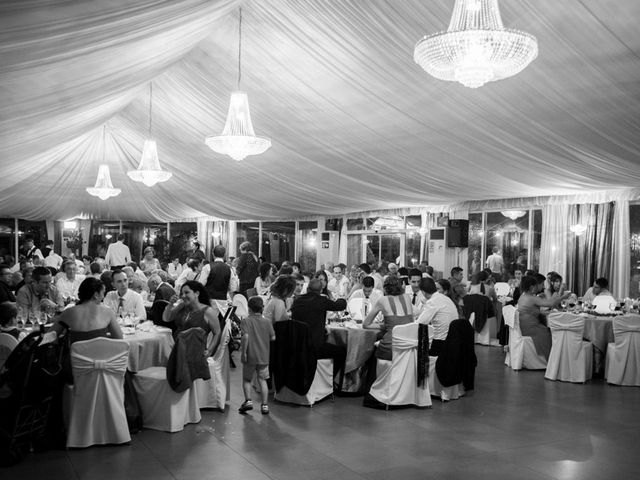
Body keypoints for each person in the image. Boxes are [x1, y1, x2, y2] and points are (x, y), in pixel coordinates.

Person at [290, 278, 347, 387]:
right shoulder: (321, 301)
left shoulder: (297, 300)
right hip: (314, 348)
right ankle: (329, 381)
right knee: (342, 352)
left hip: (297, 346)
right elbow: (340, 306)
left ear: (307, 289)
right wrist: (342, 298)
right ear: (321, 291)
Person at [52, 277, 123, 344]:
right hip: (102, 355)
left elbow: (51, 335)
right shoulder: (107, 312)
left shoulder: (68, 312)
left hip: (77, 356)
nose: (103, 297)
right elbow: (119, 338)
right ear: (96, 295)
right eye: (103, 293)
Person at [517, 275, 571, 359]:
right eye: (536, 286)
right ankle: (552, 359)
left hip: (523, 326)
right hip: (532, 329)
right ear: (532, 287)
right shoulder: (532, 298)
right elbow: (551, 304)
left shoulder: (522, 296)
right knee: (550, 332)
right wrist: (564, 297)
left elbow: (535, 309)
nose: (539, 287)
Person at [162, 281, 221, 355]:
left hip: (196, 353)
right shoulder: (182, 306)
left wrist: (209, 350)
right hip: (177, 350)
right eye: (182, 293)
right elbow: (166, 318)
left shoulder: (208, 311)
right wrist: (170, 304)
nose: (183, 296)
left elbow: (217, 333)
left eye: (186, 292)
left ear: (197, 293)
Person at [239, 296, 275, 414]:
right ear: (262, 308)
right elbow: (273, 337)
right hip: (264, 356)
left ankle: (248, 401)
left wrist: (243, 352)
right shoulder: (267, 322)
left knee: (247, 379)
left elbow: (245, 337)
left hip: (250, 355)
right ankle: (264, 405)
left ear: (249, 308)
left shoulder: (246, 321)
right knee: (262, 380)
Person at [363, 275, 413, 361]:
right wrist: (388, 325)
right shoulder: (407, 297)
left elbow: (366, 324)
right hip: (409, 346)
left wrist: (386, 325)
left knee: (368, 353)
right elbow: (404, 322)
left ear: (385, 288)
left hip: (391, 346)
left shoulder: (383, 300)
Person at [418, 277, 459, 356]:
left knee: (417, 348)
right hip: (452, 340)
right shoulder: (445, 298)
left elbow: (420, 323)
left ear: (423, 291)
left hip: (440, 342)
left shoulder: (432, 302)